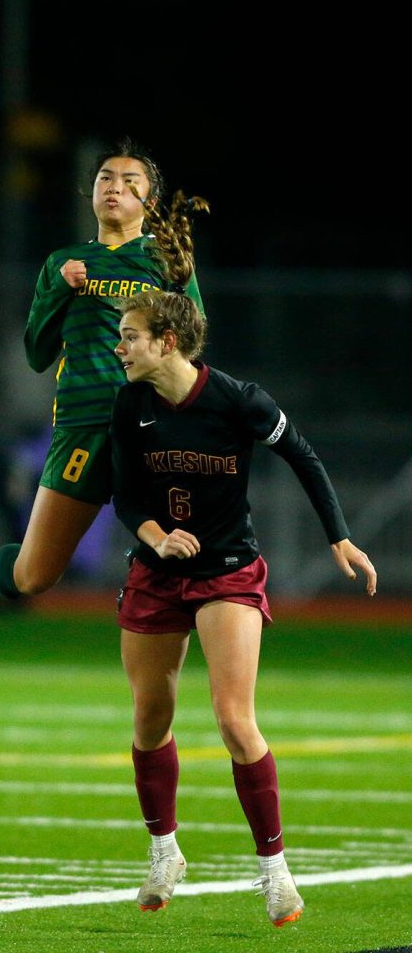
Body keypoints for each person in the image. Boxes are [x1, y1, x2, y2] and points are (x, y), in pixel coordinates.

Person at [109, 290, 376, 926]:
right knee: (150, 718)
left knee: (234, 719)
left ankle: (275, 870)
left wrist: (338, 534)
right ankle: (165, 850)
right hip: (157, 572)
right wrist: (157, 538)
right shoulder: (131, 404)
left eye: (129, 336)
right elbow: (124, 496)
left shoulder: (238, 399)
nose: (119, 348)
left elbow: (303, 456)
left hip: (227, 571)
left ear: (166, 341)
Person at [0, 136, 208, 634]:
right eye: (106, 178)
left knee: (187, 545)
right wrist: (60, 288)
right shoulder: (64, 263)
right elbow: (38, 354)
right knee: (37, 574)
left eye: (131, 182)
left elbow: (193, 343)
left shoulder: (166, 261)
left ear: (149, 199)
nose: (115, 188)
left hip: (152, 427)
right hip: (82, 427)